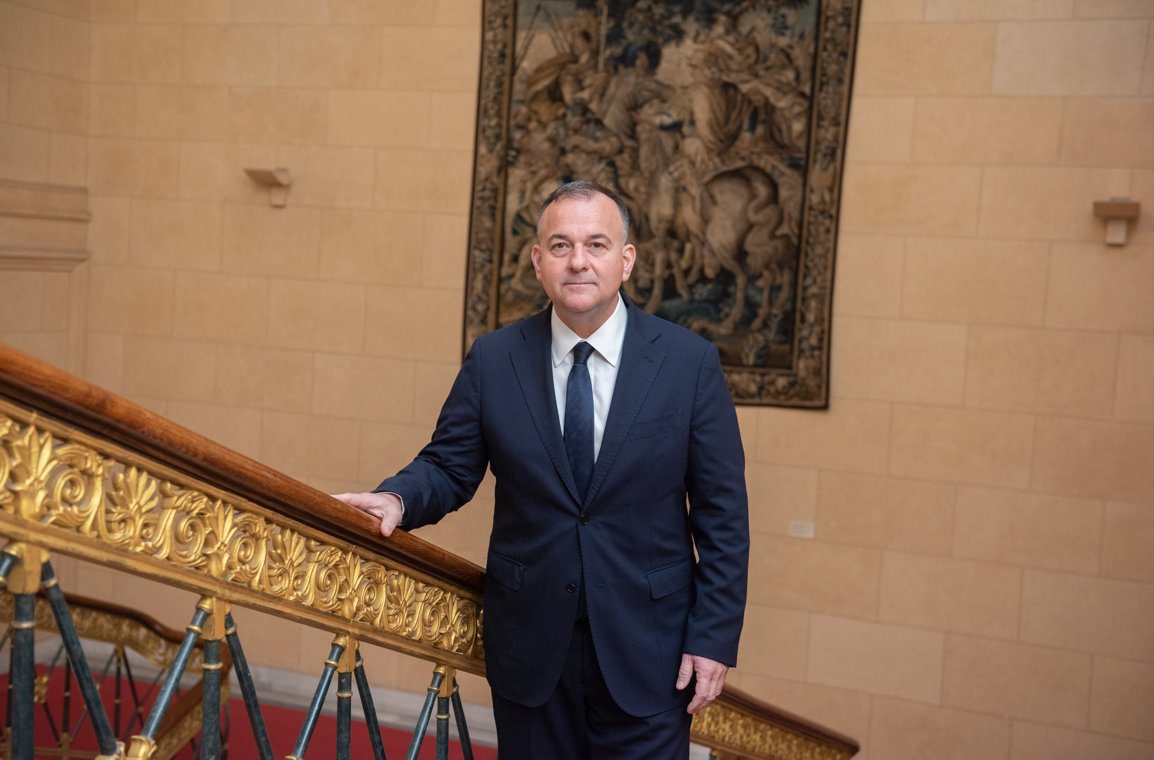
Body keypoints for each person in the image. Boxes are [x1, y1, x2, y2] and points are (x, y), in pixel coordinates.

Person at [335, 180, 748, 759]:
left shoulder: (689, 363)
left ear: (626, 260)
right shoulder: (494, 359)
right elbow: (449, 465)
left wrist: (714, 637)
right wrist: (398, 500)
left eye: (597, 244)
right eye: (560, 246)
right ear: (537, 261)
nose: (578, 261)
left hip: (650, 650)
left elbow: (722, 516)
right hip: (531, 646)